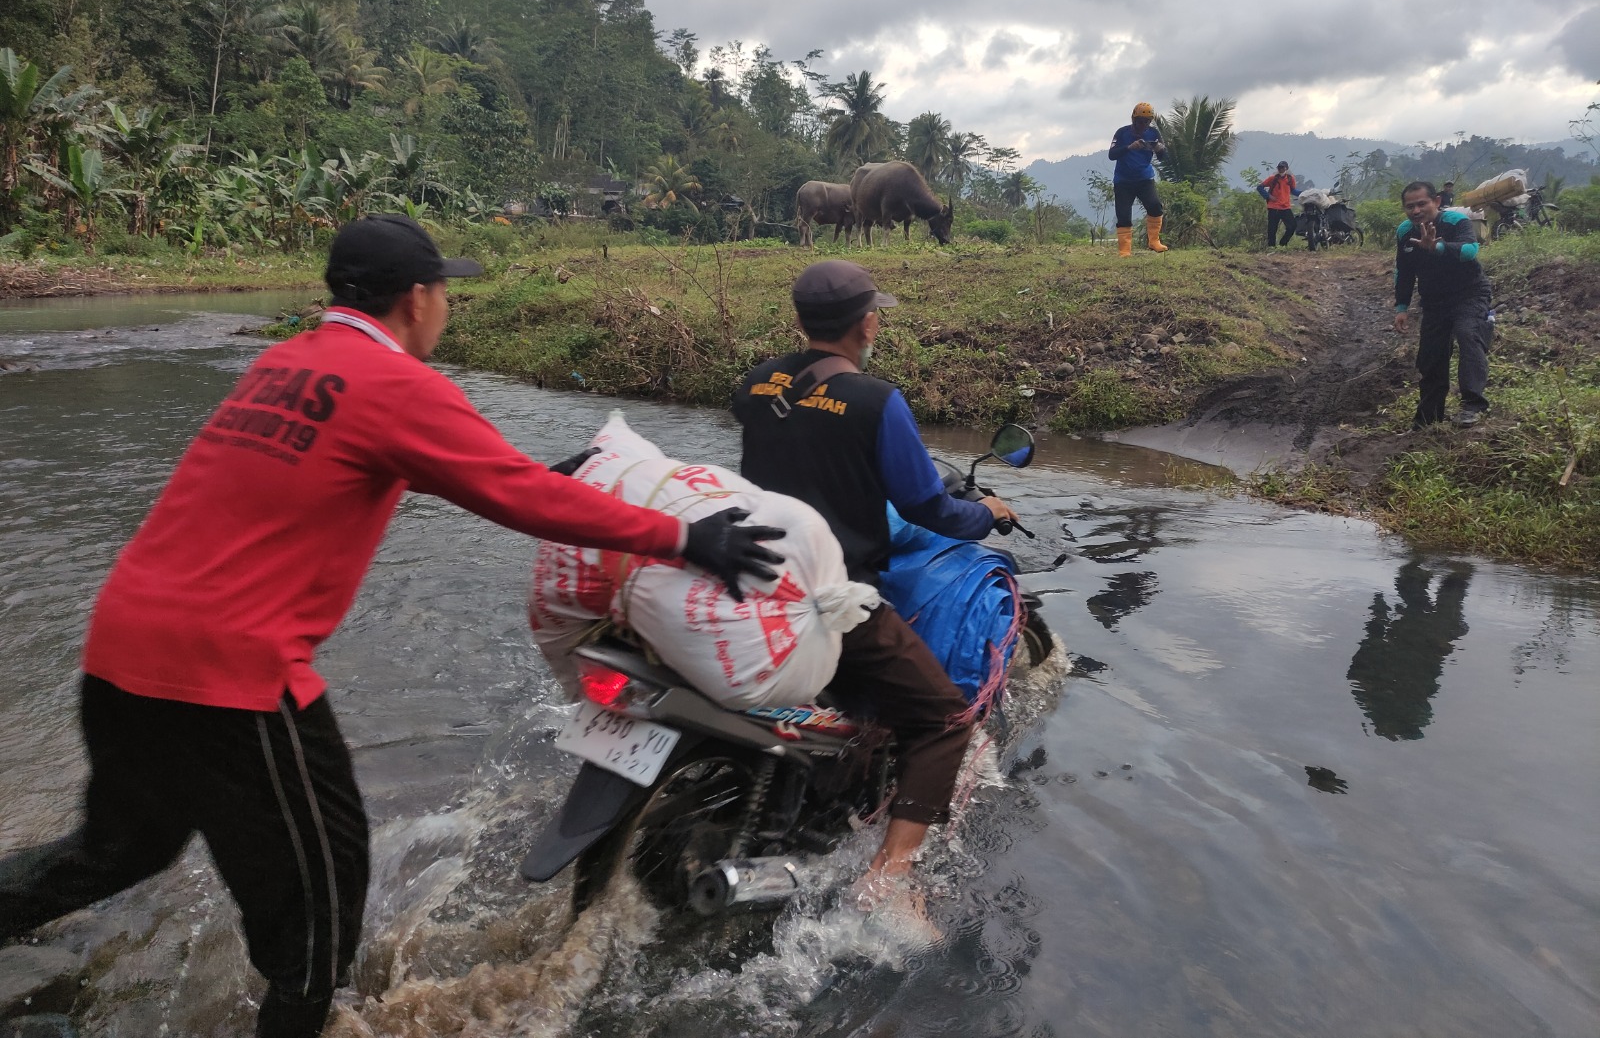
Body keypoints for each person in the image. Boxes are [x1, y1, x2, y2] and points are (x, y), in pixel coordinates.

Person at [0, 215, 783, 1038]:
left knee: (116, 851)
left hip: (122, 648)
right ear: (416, 298)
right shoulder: (397, 384)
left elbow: (344, 470)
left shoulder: (284, 361)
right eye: (445, 290)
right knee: (319, 927)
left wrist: (513, 474)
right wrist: (690, 536)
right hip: (233, 679)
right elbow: (516, 498)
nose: (447, 306)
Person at [731, 261, 1021, 893]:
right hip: (832, 593)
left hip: (751, 575)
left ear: (800, 319)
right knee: (944, 717)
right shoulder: (878, 401)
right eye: (876, 316)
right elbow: (928, 508)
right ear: (867, 323)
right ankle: (890, 881)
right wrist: (987, 512)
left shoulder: (757, 383)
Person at [1392, 182, 1493, 427]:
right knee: (1431, 356)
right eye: (1410, 206)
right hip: (1434, 302)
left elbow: (1469, 250)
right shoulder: (1405, 232)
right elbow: (1403, 272)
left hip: (1469, 294)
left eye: (1421, 204)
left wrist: (1436, 247)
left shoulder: (1456, 222)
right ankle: (1428, 417)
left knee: (1468, 334)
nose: (1416, 211)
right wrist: (1401, 307)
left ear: (1436, 201)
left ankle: (1472, 405)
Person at [1106, 102, 1168, 258]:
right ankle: (1125, 250)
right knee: (1123, 214)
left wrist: (1160, 149)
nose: (1143, 124)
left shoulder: (1153, 133)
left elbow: (1163, 158)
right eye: (1140, 121)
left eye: (1147, 121)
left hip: (1144, 179)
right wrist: (1129, 147)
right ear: (1134, 119)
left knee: (1155, 206)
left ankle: (1154, 241)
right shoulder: (1122, 133)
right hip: (1123, 180)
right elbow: (1112, 155)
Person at [1259, 161, 1300, 248]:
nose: (1281, 169)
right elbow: (1260, 187)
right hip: (1273, 207)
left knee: (1292, 226)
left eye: (1283, 167)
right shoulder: (1272, 178)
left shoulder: (1290, 178)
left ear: (1286, 168)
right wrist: (1269, 196)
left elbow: (1293, 191)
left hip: (1285, 207)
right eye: (1279, 168)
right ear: (1277, 168)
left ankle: (1283, 243)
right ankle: (1271, 246)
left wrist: (1304, 194)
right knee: (1272, 229)